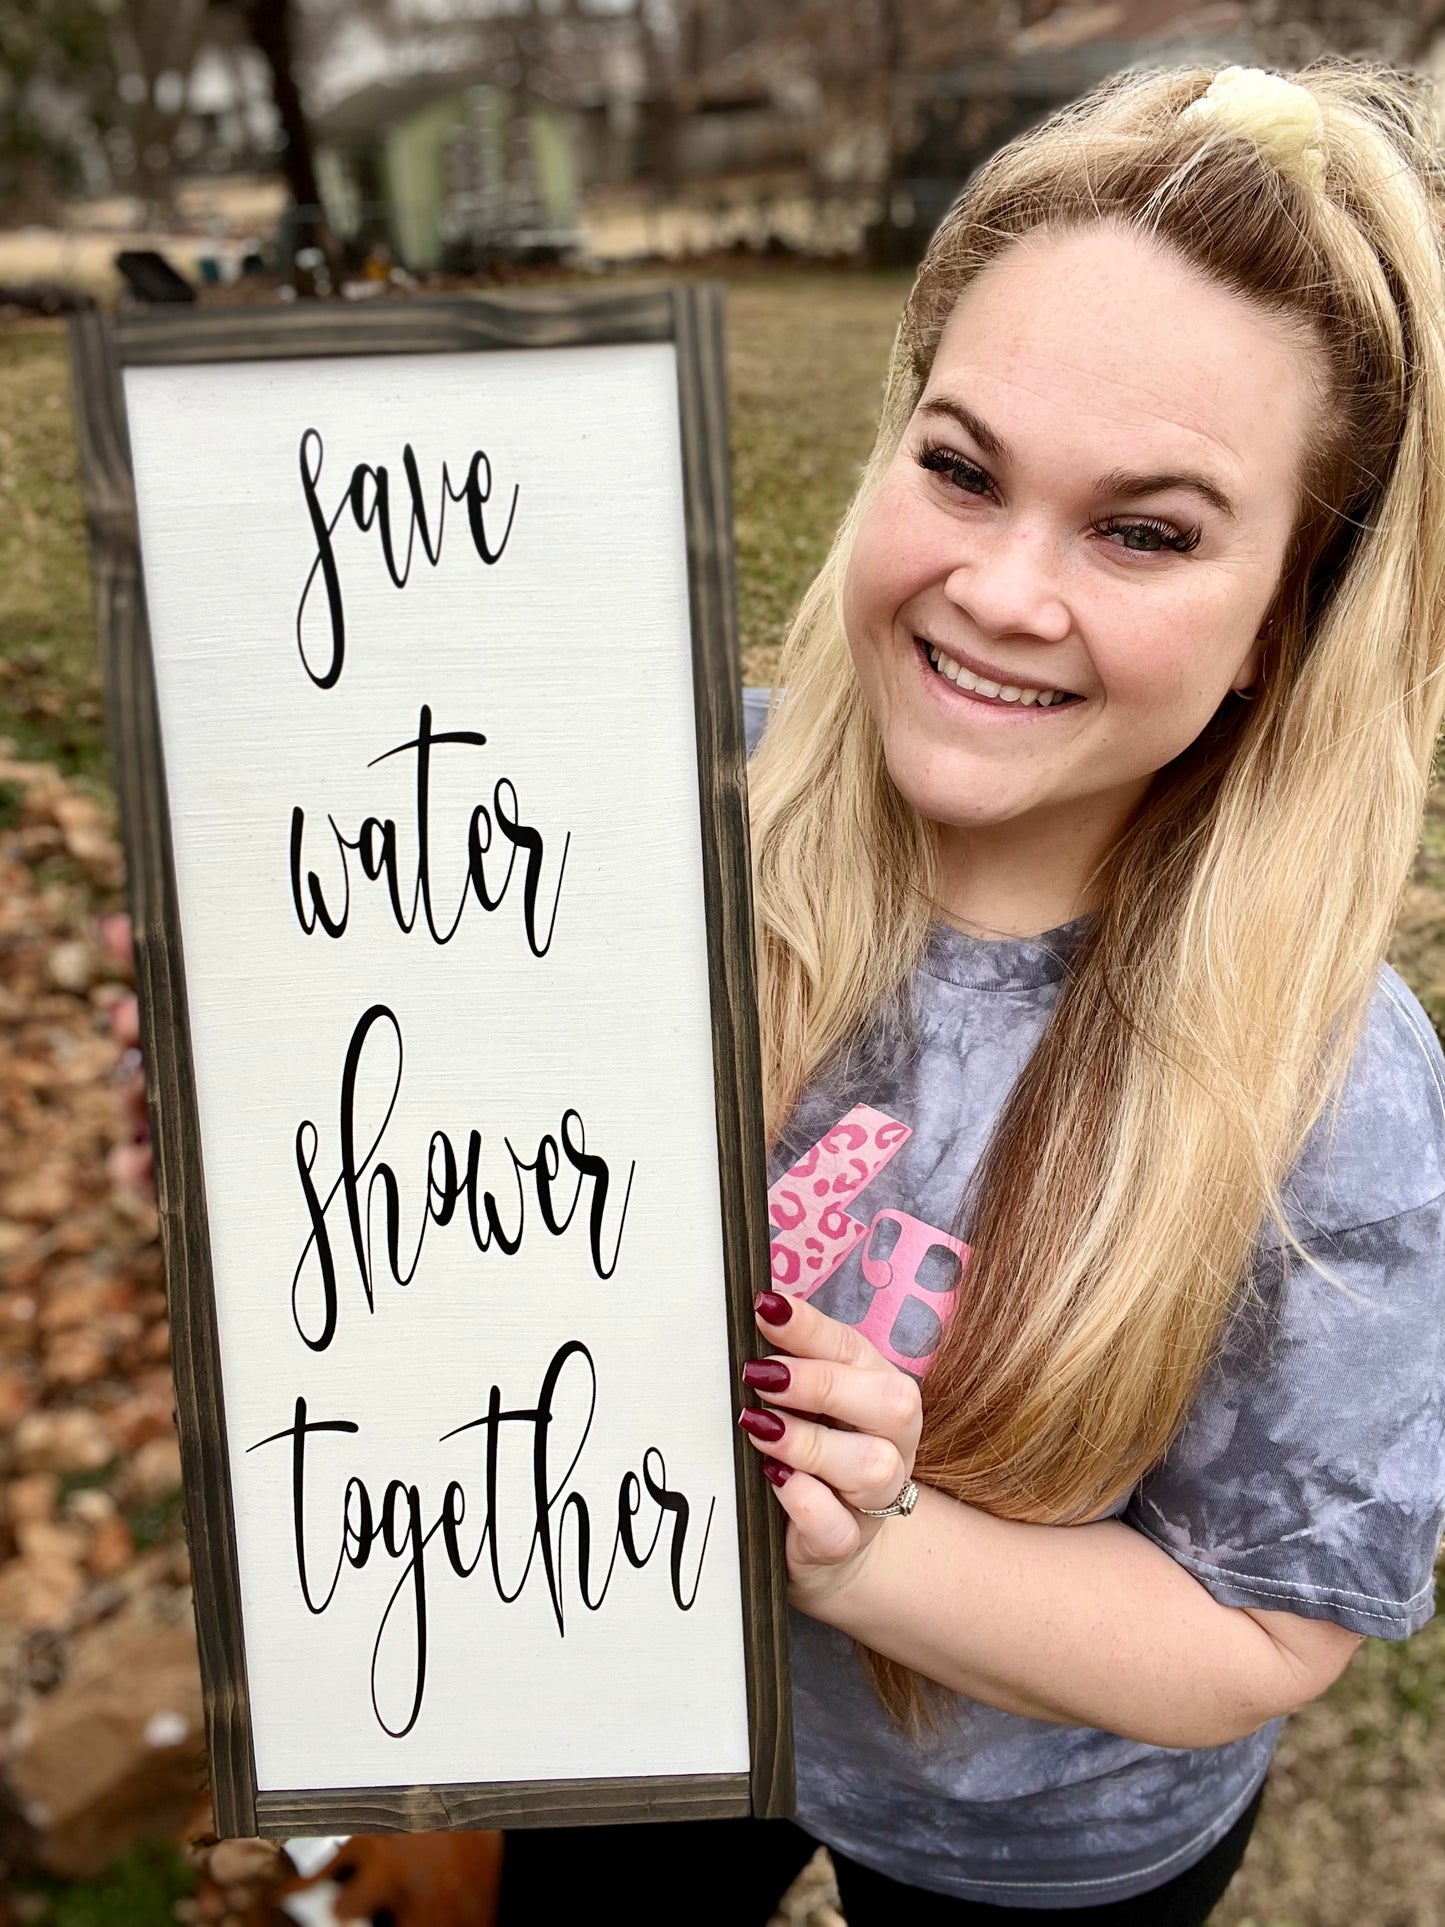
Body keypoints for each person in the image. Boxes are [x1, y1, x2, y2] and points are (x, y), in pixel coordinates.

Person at [497, 56, 1445, 1925]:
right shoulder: (661, 821)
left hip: (1040, 1834)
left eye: (1144, 528)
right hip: (645, 1693)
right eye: (960, 467)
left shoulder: (1329, 1088)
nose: (1003, 591)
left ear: (1283, 621)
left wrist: (877, 1559)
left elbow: (1261, 1629)